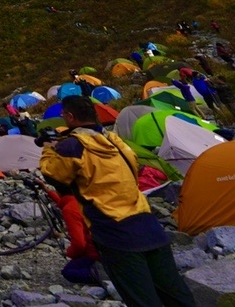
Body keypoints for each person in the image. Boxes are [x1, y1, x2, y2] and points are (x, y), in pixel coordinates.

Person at [40, 96, 195, 307]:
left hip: (115, 233)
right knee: (175, 293)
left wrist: (49, 148)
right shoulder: (116, 140)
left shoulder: (72, 147)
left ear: (70, 116)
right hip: (149, 225)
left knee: (142, 299)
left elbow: (54, 176)